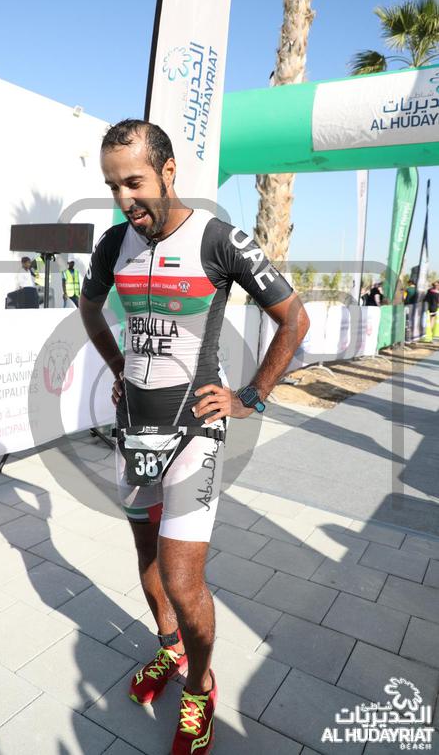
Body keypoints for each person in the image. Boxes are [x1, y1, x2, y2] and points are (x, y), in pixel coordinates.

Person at [79, 119, 309, 755]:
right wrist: (118, 366)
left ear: (168, 170)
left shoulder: (217, 238)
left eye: (134, 182)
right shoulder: (113, 243)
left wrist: (250, 396)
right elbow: (89, 308)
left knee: (183, 582)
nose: (124, 198)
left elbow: (294, 319)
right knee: (146, 556)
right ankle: (170, 649)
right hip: (133, 431)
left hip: (195, 435)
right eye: (113, 186)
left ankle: (200, 688)